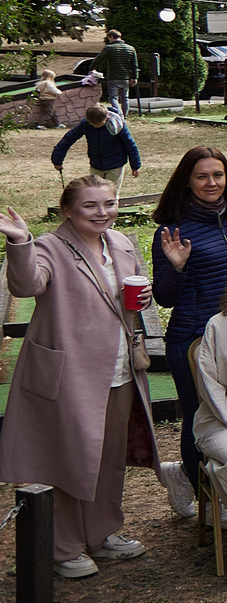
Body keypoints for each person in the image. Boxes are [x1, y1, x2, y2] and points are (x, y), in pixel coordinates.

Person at [0, 178, 155, 578]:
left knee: (107, 459)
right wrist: (19, 241)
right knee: (68, 458)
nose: (103, 212)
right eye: (91, 206)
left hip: (120, 369)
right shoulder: (50, 247)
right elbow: (27, 283)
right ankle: (64, 547)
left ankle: (101, 535)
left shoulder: (120, 243)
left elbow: (124, 302)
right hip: (70, 375)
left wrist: (143, 298)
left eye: (109, 203)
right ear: (68, 210)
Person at [154, 145, 227, 503]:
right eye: (201, 176)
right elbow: (164, 297)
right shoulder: (172, 231)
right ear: (187, 181)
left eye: (218, 174)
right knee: (202, 416)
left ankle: (184, 473)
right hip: (192, 336)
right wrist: (178, 266)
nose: (211, 182)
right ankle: (206, 497)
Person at [50, 102, 143, 182]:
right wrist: (57, 160)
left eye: (97, 124)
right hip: (96, 165)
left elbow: (130, 144)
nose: (95, 126)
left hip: (115, 165)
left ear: (106, 119)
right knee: (96, 193)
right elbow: (68, 140)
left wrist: (135, 166)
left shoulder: (117, 124)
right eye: (92, 124)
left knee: (110, 194)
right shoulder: (86, 124)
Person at [95, 27, 136, 115]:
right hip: (125, 77)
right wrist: (135, 77)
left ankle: (119, 114)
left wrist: (91, 69)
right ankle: (124, 116)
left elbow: (98, 60)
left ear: (112, 37)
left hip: (113, 77)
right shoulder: (131, 49)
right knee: (125, 98)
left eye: (109, 38)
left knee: (113, 98)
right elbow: (134, 65)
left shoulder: (109, 48)